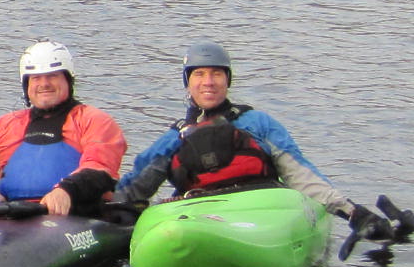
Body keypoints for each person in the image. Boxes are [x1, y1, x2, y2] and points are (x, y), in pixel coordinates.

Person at [118, 40, 384, 230]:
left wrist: (353, 213)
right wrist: (102, 206)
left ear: (227, 80)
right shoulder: (174, 138)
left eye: (216, 74)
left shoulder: (257, 123)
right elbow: (133, 189)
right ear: (188, 82)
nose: (208, 82)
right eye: (199, 74)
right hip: (198, 216)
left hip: (259, 211)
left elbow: (300, 175)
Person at [0, 41, 125, 216]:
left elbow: (100, 167)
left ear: (68, 80)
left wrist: (67, 190)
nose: (44, 84)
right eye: (36, 78)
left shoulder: (94, 120)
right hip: (16, 213)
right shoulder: (6, 125)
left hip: (76, 214)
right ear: (26, 85)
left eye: (52, 76)